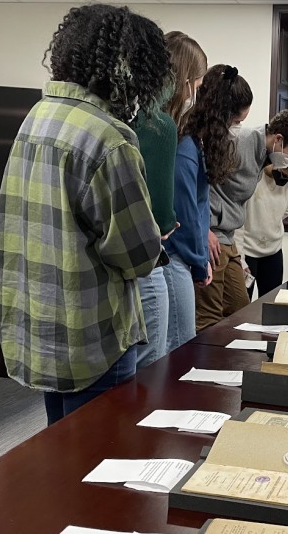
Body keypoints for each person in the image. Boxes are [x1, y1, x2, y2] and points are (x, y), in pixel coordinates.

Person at [0, 5, 170, 425]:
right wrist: (153, 238)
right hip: (92, 336)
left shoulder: (38, 116)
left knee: (61, 448)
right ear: (128, 71)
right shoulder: (109, 139)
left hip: (41, 325)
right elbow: (137, 255)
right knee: (99, 458)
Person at [131, 31, 206, 368]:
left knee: (157, 355)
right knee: (160, 360)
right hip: (155, 255)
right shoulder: (160, 127)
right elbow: (166, 218)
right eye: (196, 85)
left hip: (147, 253)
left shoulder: (142, 119)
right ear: (184, 81)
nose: (196, 94)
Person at [164, 64, 253, 345]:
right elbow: (187, 213)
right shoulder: (187, 149)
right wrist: (200, 261)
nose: (234, 130)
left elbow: (201, 206)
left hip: (195, 253)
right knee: (187, 337)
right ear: (222, 115)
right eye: (235, 122)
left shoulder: (200, 146)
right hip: (178, 257)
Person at [193, 70, 260, 332]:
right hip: (206, 236)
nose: (237, 126)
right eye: (234, 119)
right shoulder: (192, 140)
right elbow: (191, 194)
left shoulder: (220, 141)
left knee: (241, 310)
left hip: (225, 239)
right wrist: (204, 229)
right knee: (209, 318)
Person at [233, 109, 288, 299]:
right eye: (284, 175)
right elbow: (237, 219)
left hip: (273, 251)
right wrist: (241, 257)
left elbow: (287, 210)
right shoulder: (253, 174)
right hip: (248, 251)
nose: (285, 181)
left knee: (271, 302)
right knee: (241, 304)